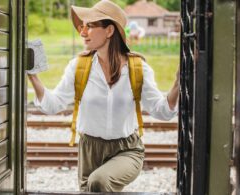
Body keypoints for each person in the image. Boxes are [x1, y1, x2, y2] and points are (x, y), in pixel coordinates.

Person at [27, 0, 179, 192]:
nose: (82, 33)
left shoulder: (137, 69)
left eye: (89, 26)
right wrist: (33, 77)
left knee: (98, 182)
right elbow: (54, 104)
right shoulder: (79, 67)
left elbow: (163, 111)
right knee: (95, 187)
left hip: (127, 150)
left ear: (109, 31)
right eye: (82, 27)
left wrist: (177, 84)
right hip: (89, 151)